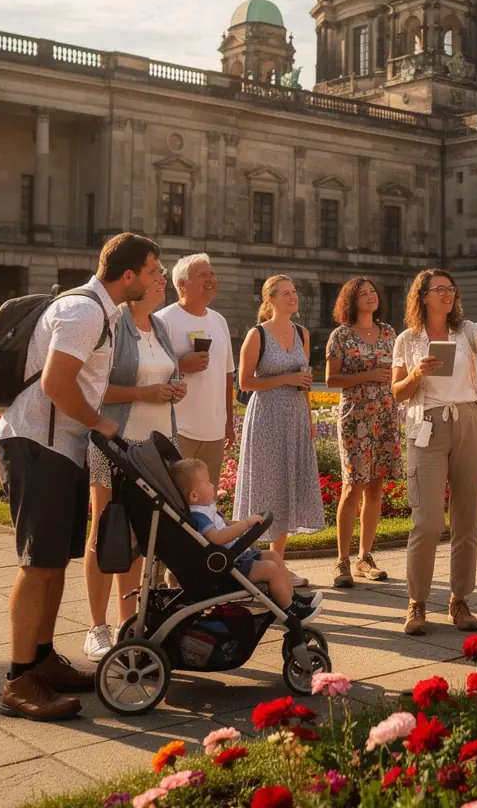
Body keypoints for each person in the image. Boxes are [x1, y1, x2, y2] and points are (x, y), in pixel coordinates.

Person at [0, 232, 162, 720]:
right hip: (36, 444)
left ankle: (42, 659)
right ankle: (19, 680)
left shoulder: (101, 310)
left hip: (60, 448)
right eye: (153, 271)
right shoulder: (85, 311)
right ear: (128, 275)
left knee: (54, 562)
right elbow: (56, 382)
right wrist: (100, 423)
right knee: (37, 563)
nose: (157, 279)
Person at [392, 270, 477, 635]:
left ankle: (459, 599)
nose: (447, 294)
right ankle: (416, 602)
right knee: (427, 522)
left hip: (468, 422)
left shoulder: (467, 330)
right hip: (427, 427)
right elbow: (397, 392)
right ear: (422, 296)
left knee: (466, 520)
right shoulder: (407, 340)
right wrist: (417, 374)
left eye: (451, 289)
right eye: (439, 289)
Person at [82, 263, 186, 661]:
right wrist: (146, 393)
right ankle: (97, 627)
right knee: (104, 529)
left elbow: (162, 380)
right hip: (115, 443)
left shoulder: (158, 327)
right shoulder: (115, 325)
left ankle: (129, 623)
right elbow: (96, 386)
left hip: (154, 448)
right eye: (157, 274)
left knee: (140, 536)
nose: (162, 279)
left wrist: (174, 390)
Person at [233, 275, 324, 587]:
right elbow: (245, 383)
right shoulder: (257, 334)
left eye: (294, 292)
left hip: (295, 416)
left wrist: (310, 419)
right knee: (263, 487)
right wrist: (284, 380)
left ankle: (279, 565)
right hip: (266, 418)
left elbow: (304, 379)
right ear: (269, 299)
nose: (293, 297)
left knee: (286, 487)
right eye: (286, 293)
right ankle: (249, 565)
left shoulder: (302, 333)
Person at [169, 459, 322, 621]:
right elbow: (218, 537)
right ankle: (290, 611)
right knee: (270, 569)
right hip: (228, 567)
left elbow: (226, 524)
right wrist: (246, 523)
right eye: (207, 483)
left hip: (237, 557)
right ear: (194, 496)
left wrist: (250, 526)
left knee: (274, 556)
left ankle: (292, 597)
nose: (212, 485)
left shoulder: (205, 509)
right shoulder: (199, 516)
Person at [325, 277, 402, 588]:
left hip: (385, 415)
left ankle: (365, 557)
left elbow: (399, 370)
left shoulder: (389, 333)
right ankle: (342, 560)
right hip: (355, 417)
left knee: (375, 487)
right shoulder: (340, 336)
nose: (370, 296)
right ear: (351, 301)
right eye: (363, 294)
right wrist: (369, 374)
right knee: (352, 486)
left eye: (373, 292)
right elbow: (331, 380)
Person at [155, 254, 235, 492]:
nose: (211, 279)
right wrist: (182, 366)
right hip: (177, 429)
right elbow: (151, 372)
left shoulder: (219, 321)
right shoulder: (163, 320)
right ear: (181, 284)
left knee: (206, 499)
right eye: (203, 275)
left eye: (212, 273)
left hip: (214, 430)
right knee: (177, 498)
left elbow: (227, 374)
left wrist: (229, 421)